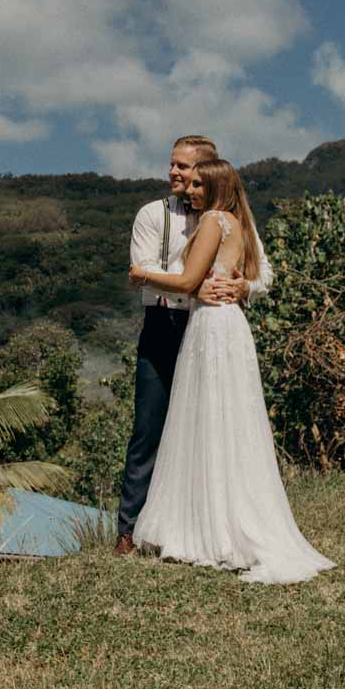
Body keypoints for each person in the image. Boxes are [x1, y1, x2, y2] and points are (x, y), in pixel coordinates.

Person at [128, 158, 333, 583]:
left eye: (199, 184)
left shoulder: (213, 221)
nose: (190, 190)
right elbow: (231, 275)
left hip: (212, 326)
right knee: (227, 422)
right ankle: (223, 517)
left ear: (217, 188)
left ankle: (211, 528)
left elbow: (187, 283)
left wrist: (142, 274)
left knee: (207, 421)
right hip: (229, 325)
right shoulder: (237, 222)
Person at [117, 135, 266, 554]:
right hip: (165, 324)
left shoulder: (227, 219)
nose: (175, 174)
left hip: (208, 325)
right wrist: (195, 289)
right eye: (174, 166)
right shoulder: (152, 214)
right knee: (149, 426)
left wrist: (243, 287)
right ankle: (128, 530)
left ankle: (199, 522)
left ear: (207, 171)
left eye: (185, 168)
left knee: (206, 424)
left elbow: (263, 274)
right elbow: (147, 265)